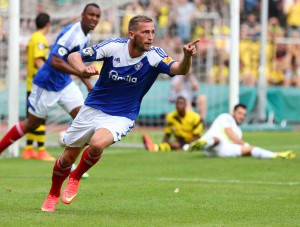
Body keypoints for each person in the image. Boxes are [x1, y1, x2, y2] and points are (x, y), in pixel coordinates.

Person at [41, 15, 199, 212]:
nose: (150, 37)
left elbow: (180, 69)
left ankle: (76, 177)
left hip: (122, 115)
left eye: (152, 32)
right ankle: (53, 193)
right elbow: (74, 56)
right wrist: (82, 70)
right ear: (132, 34)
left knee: (97, 144)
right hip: (92, 108)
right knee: (67, 158)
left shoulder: (155, 56)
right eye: (145, 32)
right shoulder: (114, 46)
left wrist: (188, 56)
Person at [0, 4, 101, 157]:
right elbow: (55, 61)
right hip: (46, 84)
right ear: (82, 15)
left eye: (97, 16)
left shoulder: (86, 36)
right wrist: (81, 72)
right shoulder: (72, 34)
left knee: (83, 119)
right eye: (91, 14)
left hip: (65, 83)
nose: (94, 18)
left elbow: (77, 62)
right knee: (32, 123)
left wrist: (88, 85)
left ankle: (67, 163)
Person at [187, 104, 296, 159]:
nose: (242, 116)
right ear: (233, 112)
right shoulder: (226, 117)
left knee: (250, 150)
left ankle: (274, 155)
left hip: (222, 151)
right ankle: (200, 144)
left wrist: (246, 147)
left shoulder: (239, 131)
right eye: (239, 113)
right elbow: (230, 135)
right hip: (211, 146)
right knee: (217, 140)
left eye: (244, 114)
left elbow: (235, 140)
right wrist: (244, 144)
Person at [22, 12, 55, 161]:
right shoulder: (40, 39)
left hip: (31, 83)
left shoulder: (32, 38)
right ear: (47, 25)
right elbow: (38, 61)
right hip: (39, 84)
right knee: (40, 116)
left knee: (32, 117)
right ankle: (41, 149)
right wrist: (48, 76)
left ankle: (29, 148)